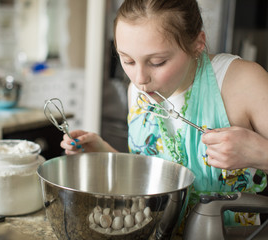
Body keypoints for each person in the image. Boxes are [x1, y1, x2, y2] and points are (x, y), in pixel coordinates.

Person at [60, 0, 268, 226]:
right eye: (127, 60)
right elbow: (152, 177)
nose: (140, 79)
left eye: (157, 62)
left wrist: (259, 153)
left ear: (198, 43)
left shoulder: (241, 83)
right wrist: (106, 155)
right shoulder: (136, 93)